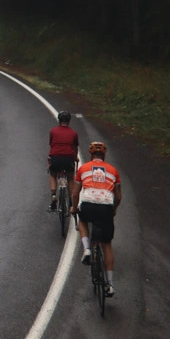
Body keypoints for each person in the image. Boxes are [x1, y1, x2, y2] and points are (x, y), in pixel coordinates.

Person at [71, 141, 122, 297]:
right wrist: (113, 209)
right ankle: (110, 284)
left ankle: (86, 249)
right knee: (107, 244)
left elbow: (75, 193)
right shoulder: (113, 171)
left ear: (91, 154)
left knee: (82, 221)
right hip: (106, 207)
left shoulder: (83, 168)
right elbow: (118, 196)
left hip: (88, 205)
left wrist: (74, 208)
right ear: (104, 155)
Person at [47, 110, 79, 209]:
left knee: (53, 174)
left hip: (55, 157)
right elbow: (75, 148)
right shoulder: (73, 133)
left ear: (59, 120)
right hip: (68, 158)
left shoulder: (53, 131)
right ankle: (70, 201)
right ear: (69, 121)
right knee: (70, 178)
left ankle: (53, 195)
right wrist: (75, 158)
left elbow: (52, 144)